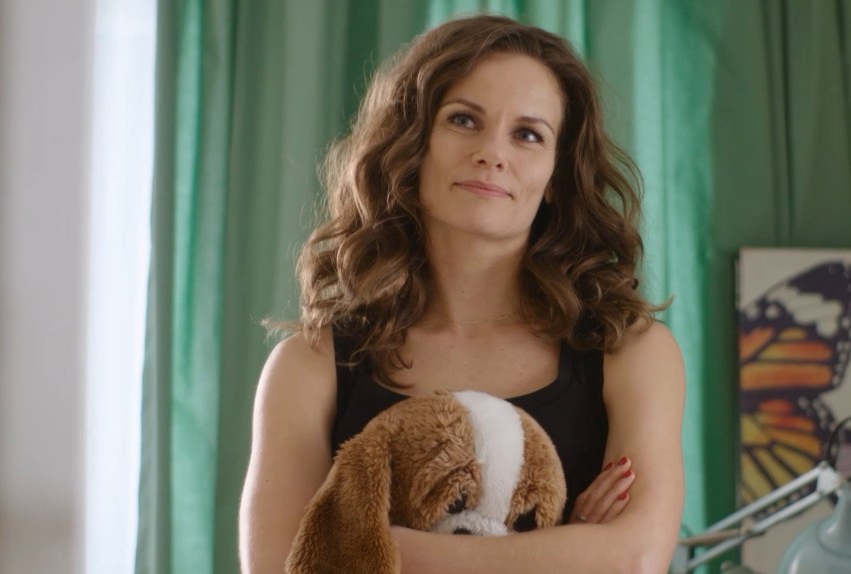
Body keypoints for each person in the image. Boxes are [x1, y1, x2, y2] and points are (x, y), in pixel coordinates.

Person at [239, 14, 685, 574]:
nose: (492, 152)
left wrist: (367, 546)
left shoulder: (631, 351)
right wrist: (564, 548)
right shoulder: (309, 366)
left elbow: (634, 560)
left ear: (557, 176)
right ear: (412, 145)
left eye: (528, 134)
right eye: (464, 119)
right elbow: (279, 566)